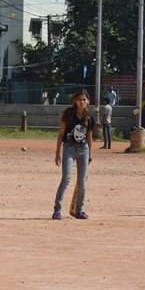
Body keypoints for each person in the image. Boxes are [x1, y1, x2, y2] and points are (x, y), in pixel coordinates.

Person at [53, 89, 95, 220]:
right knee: (66, 178)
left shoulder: (89, 117)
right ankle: (57, 210)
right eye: (79, 99)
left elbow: (89, 137)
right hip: (69, 148)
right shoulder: (68, 114)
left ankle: (79, 209)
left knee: (82, 181)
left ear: (88, 101)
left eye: (84, 99)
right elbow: (61, 134)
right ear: (75, 101)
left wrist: (90, 153)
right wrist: (57, 152)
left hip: (83, 149)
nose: (82, 102)